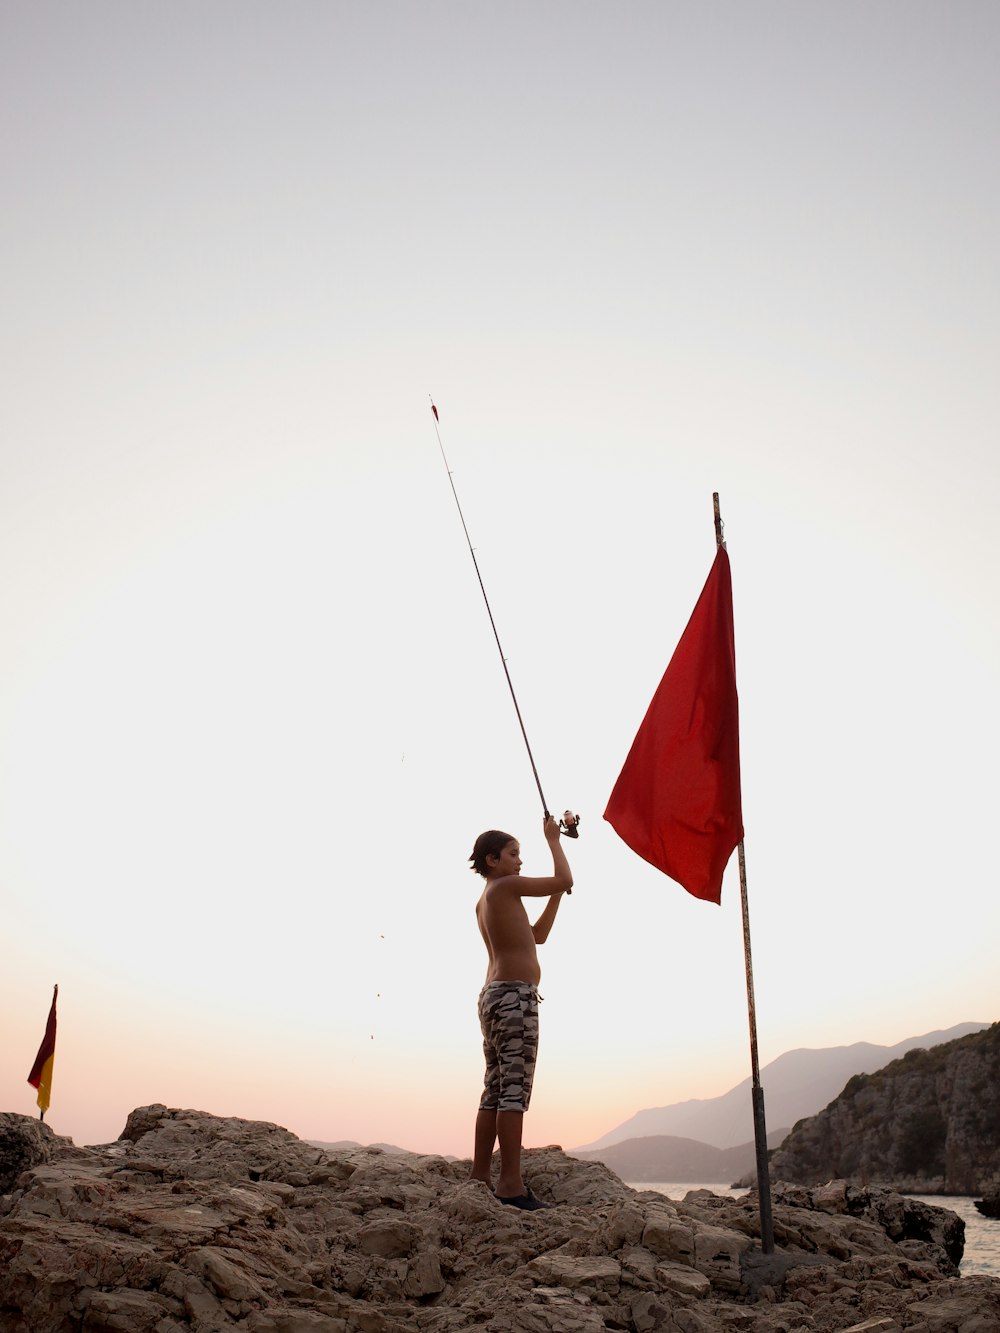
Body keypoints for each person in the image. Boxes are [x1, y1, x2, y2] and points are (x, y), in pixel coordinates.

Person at [469, 813, 573, 1209]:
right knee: (513, 1092)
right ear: (492, 860)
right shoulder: (505, 887)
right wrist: (554, 839)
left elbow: (538, 936)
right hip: (514, 998)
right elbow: (564, 878)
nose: (519, 861)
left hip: (493, 998)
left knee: (494, 1090)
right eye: (514, 854)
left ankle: (480, 1177)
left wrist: (557, 896)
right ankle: (510, 1186)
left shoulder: (490, 898)